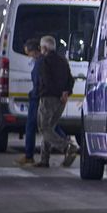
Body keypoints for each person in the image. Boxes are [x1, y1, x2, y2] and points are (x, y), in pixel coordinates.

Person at [33, 35, 77, 168]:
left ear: (45, 48)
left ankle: (67, 147)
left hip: (48, 98)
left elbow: (46, 81)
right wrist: (66, 92)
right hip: (62, 101)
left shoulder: (44, 61)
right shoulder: (63, 61)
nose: (40, 50)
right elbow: (71, 79)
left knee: (44, 127)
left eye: (41, 48)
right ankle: (44, 159)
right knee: (49, 128)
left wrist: (57, 93)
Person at [15, 38, 42, 166]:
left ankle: (29, 155)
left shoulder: (40, 63)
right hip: (41, 96)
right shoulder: (42, 61)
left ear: (34, 51)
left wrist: (34, 94)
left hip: (37, 97)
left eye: (28, 53)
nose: (28, 57)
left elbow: (38, 81)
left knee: (31, 125)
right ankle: (66, 144)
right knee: (48, 125)